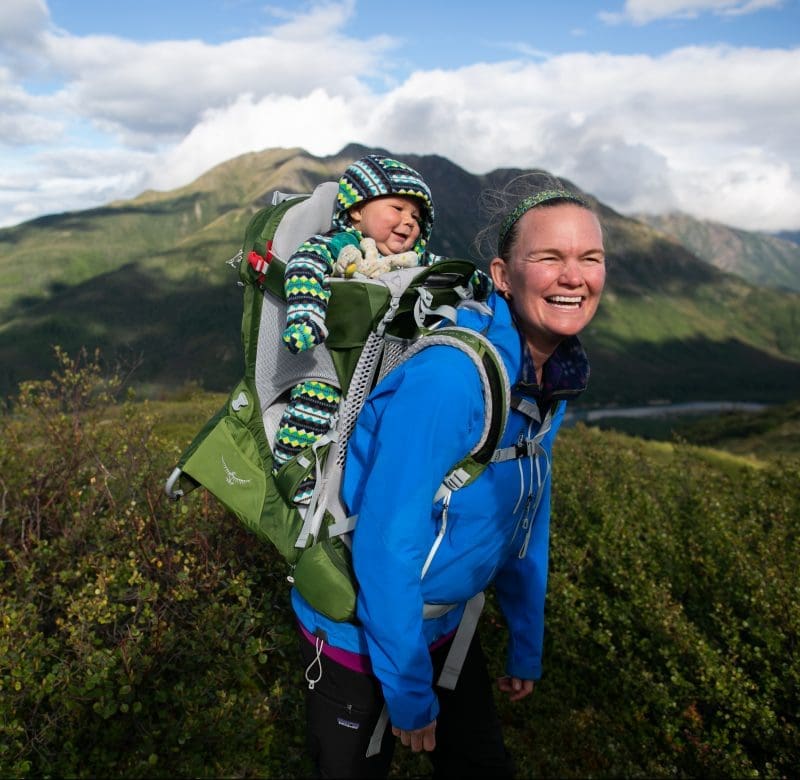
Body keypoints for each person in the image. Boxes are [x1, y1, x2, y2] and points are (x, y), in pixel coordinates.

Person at [291, 172, 606, 778]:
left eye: (589, 258)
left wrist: (525, 642)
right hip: (361, 633)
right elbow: (387, 548)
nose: (574, 277)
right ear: (502, 275)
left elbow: (525, 516)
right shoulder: (451, 380)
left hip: (444, 626)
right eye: (549, 258)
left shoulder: (550, 380)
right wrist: (409, 696)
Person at [273, 154, 490, 503]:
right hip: (332, 362)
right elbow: (304, 266)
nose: (409, 222)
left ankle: (373, 492)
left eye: (417, 217)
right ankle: (292, 476)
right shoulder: (340, 246)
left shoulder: (415, 262)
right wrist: (306, 314)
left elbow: (452, 271)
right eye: (398, 208)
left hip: (387, 366)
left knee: (395, 422)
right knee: (316, 403)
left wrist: (479, 283)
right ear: (357, 210)